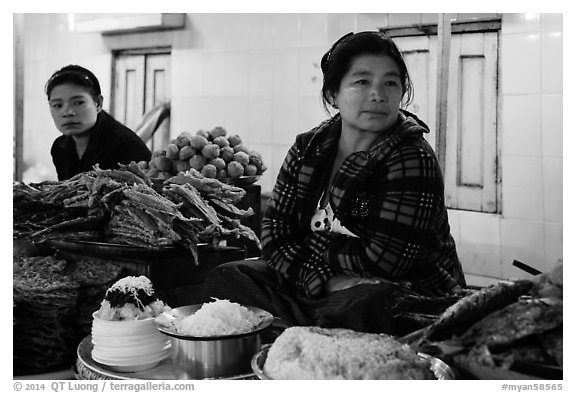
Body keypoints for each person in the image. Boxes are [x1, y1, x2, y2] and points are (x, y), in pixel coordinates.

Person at [201, 32, 466, 335]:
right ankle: (317, 327)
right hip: (327, 283)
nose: (378, 94)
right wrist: (324, 279)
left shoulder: (412, 157)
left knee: (372, 304)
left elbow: (385, 264)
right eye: (362, 81)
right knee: (227, 278)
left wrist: (307, 246)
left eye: (390, 83)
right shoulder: (308, 148)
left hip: (401, 291)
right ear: (333, 95)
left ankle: (302, 328)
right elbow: (275, 238)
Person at [46, 64, 152, 180]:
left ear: (98, 103)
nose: (68, 112)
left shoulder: (127, 146)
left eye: (78, 103)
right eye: (58, 105)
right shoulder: (59, 148)